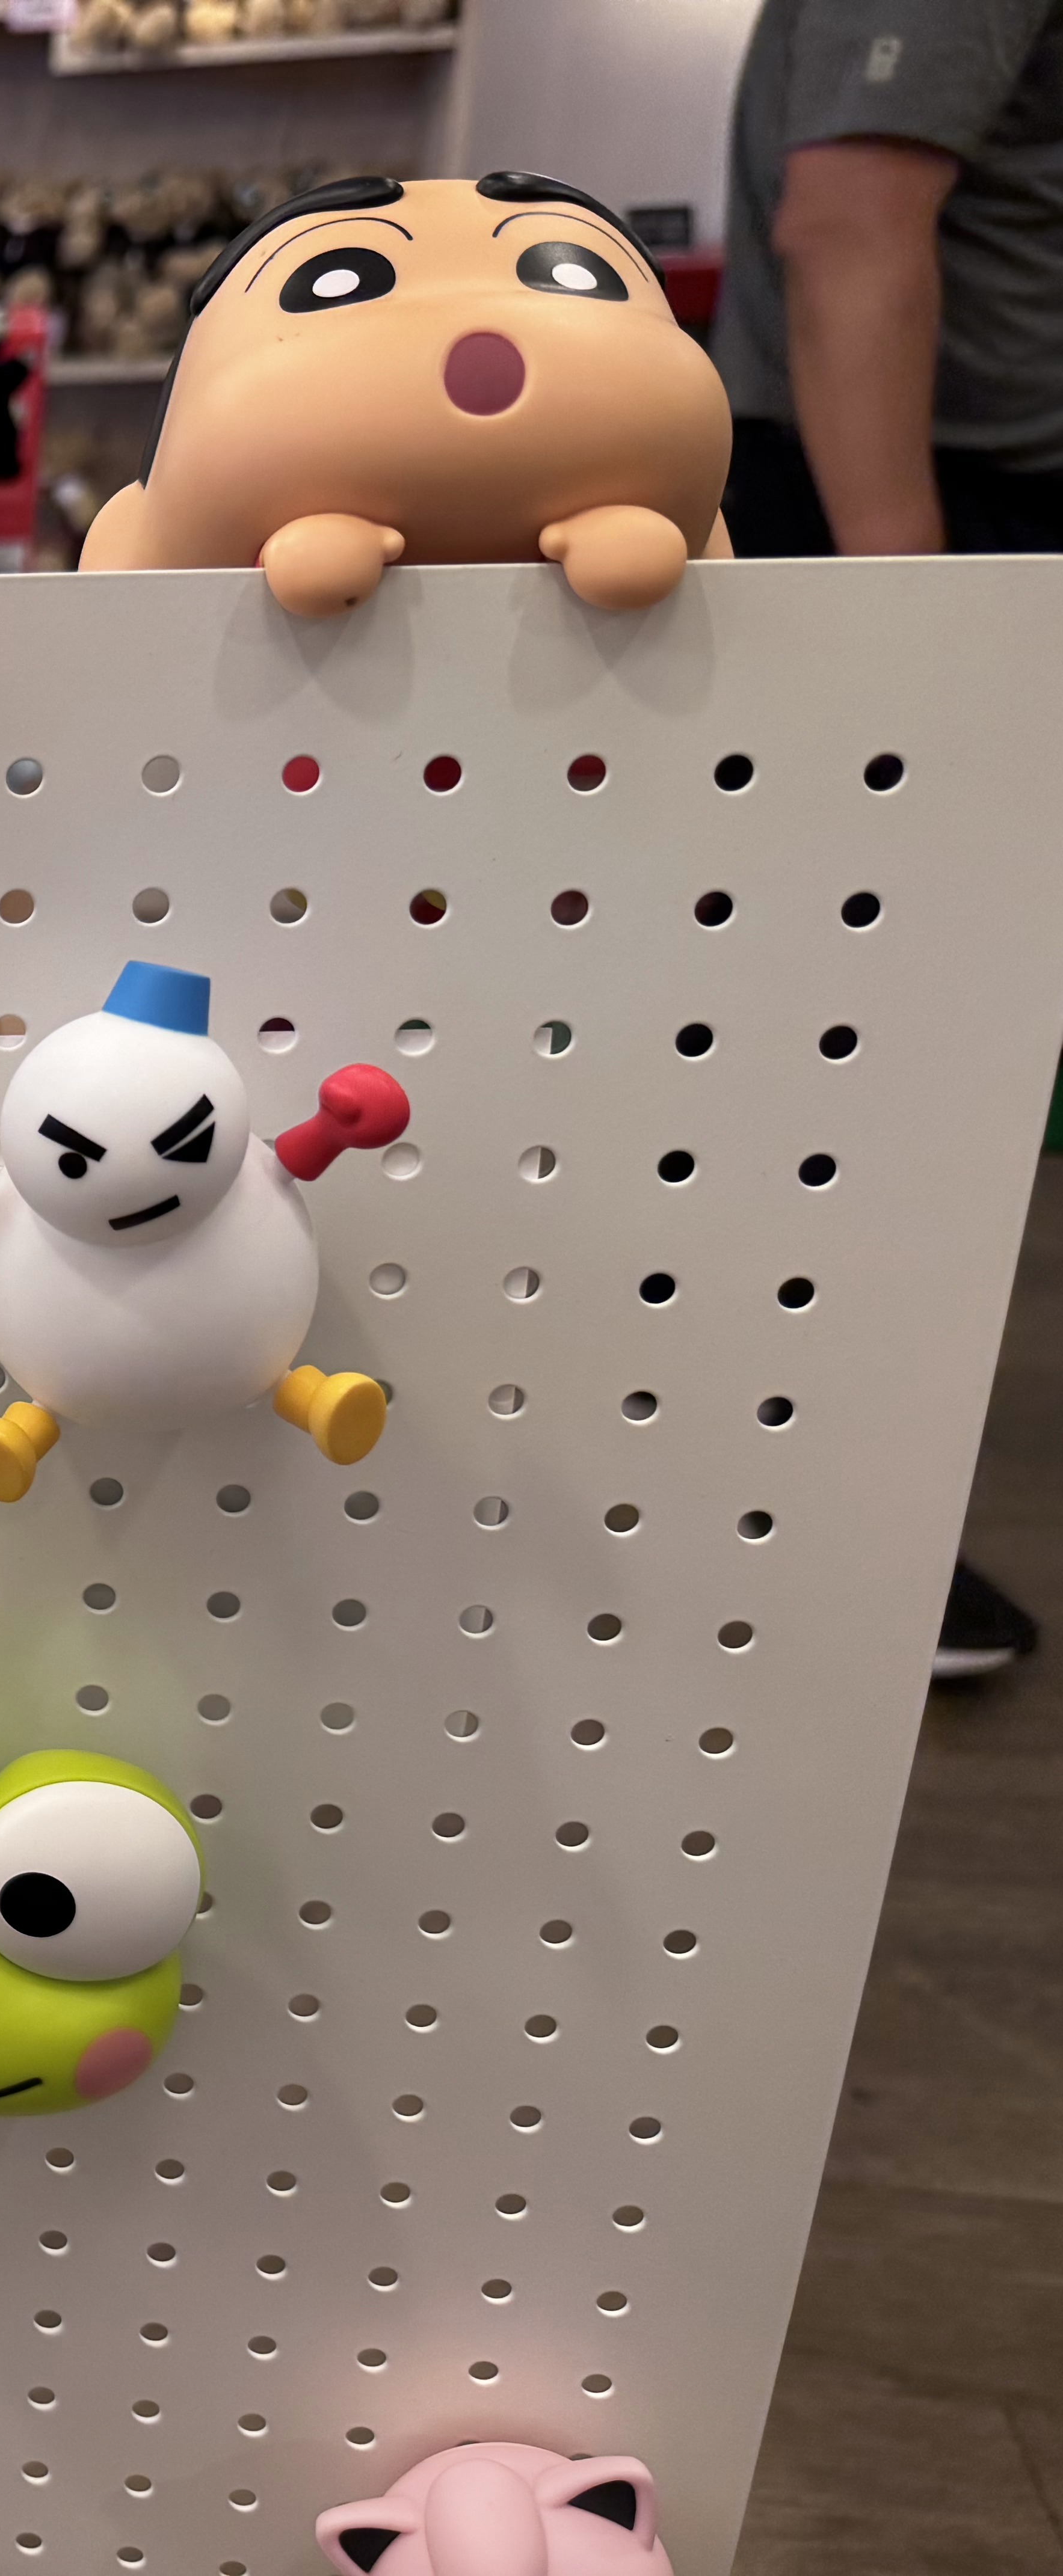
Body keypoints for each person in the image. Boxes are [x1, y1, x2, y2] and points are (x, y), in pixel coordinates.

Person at [715, 0, 1059, 1678]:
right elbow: (849, 224)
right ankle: (813, 1548)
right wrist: (917, 640)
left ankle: (820, 1535)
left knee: (880, 1062)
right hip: (917, 516)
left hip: (938, 514)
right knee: (860, 1065)